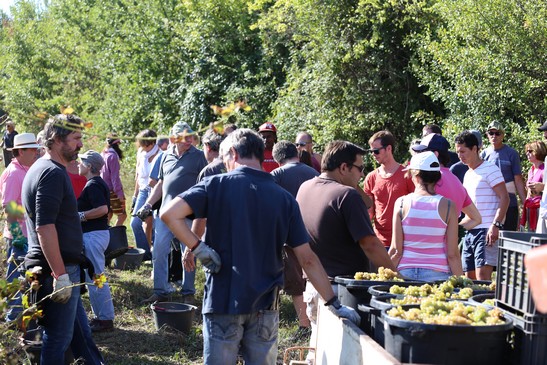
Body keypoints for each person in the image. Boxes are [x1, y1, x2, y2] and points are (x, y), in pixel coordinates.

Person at [160, 129, 359, 364]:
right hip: (265, 307)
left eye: (225, 159)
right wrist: (333, 303)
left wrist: (198, 248)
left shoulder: (215, 185)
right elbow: (308, 259)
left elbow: (168, 214)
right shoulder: (285, 198)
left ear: (233, 153)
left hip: (223, 301)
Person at [296, 140, 397, 361]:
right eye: (360, 168)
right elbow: (369, 244)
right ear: (344, 168)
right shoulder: (346, 196)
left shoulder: (305, 187)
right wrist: (396, 278)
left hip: (315, 288)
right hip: (343, 294)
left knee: (319, 352)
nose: (362, 174)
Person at [22, 114, 104, 364]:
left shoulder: (43, 168)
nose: (80, 145)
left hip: (65, 268)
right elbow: (44, 227)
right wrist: (61, 275)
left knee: (79, 332)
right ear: (57, 140)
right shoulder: (51, 173)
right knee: (58, 338)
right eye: (76, 138)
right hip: (57, 270)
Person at [136, 121, 207, 303]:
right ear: (174, 139)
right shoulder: (164, 156)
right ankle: (160, 291)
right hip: (165, 214)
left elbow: (205, 185)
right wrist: (148, 204)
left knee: (189, 252)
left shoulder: (199, 157)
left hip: (188, 214)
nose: (189, 140)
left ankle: (188, 292)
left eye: (191, 136)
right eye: (185, 137)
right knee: (159, 251)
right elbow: (160, 184)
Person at [389, 152, 463, 281]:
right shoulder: (449, 206)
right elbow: (453, 255)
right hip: (438, 274)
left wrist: (382, 276)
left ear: (416, 176)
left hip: (405, 273)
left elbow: (396, 251)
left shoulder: (400, 203)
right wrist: (463, 283)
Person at [271, 140, 319, 340]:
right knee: (313, 278)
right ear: (296, 155)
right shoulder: (314, 173)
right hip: (315, 234)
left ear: (277, 159)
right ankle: (316, 321)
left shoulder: (277, 175)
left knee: (295, 282)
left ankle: (304, 325)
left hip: (289, 236)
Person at [455, 130, 509, 280]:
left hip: (486, 231)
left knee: (482, 279)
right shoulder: (467, 174)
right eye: (458, 152)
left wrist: (496, 225)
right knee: (469, 279)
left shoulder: (490, 169)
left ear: (475, 149)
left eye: (463, 151)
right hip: (470, 232)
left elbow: (505, 198)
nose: (460, 156)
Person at [0, 133, 41, 321]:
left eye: (35, 148)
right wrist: (18, 235)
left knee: (27, 276)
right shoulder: (14, 173)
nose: (35, 152)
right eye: (32, 149)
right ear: (20, 151)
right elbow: (9, 207)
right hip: (18, 235)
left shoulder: (26, 169)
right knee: (15, 278)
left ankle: (22, 312)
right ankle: (13, 316)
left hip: (29, 234)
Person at [77, 150, 115, 332]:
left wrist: (81, 215)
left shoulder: (93, 185)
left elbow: (102, 209)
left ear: (89, 166)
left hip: (93, 235)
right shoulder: (95, 183)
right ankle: (100, 316)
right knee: (94, 277)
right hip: (95, 235)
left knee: (97, 276)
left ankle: (105, 319)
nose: (78, 164)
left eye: (81, 162)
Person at [411, 133, 482, 230]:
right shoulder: (456, 182)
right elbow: (476, 218)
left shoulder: (429, 179)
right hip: (449, 244)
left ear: (435, 154)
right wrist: (453, 233)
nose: (420, 155)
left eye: (423, 152)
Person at [363, 130, 415, 247]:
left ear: (389, 149)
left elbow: (415, 207)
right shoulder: (371, 177)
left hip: (403, 241)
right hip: (380, 241)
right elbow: (369, 212)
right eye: (371, 151)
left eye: (376, 151)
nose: (373, 154)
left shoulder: (407, 174)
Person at [480, 121, 526, 231]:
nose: (494, 136)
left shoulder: (512, 153)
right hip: (491, 204)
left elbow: (518, 179)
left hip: (510, 202)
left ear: (503, 135)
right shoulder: (484, 154)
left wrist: (525, 202)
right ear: (487, 135)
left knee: (509, 236)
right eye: (491, 133)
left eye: (497, 133)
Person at [130, 129, 159, 261]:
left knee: (156, 225)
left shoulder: (161, 154)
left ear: (152, 143)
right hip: (143, 191)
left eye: (146, 145)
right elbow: (138, 176)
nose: (144, 148)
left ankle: (158, 255)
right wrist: (135, 197)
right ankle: (146, 254)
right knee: (135, 223)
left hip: (156, 192)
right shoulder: (141, 153)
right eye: (142, 145)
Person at [100, 133, 126, 226]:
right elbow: (114, 177)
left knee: (109, 214)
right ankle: (115, 236)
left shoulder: (103, 154)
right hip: (112, 191)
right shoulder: (113, 156)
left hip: (103, 189)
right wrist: (119, 193)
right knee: (122, 215)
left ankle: (106, 234)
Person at [520, 141, 546, 231]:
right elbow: (528, 193)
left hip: (541, 208)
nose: (527, 153)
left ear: (538, 151)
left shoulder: (544, 169)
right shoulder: (531, 170)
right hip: (530, 208)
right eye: (527, 151)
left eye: (530, 151)